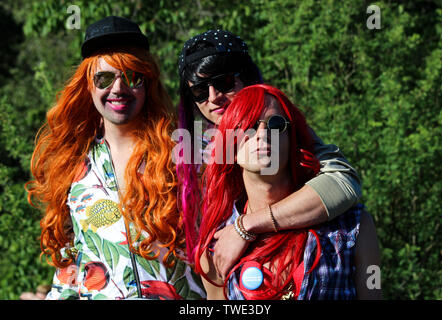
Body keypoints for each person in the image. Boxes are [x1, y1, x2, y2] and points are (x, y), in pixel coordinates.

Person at [25, 16, 205, 300]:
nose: (118, 89)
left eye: (132, 77)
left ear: (148, 84)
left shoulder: (183, 156)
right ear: (88, 86)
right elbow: (72, 264)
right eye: (104, 78)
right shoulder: (72, 166)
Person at [176, 29, 362, 278]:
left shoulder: (278, 126)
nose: (213, 97)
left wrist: (245, 227)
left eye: (224, 82)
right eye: (199, 91)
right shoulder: (190, 145)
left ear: (248, 78)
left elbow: (343, 183)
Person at [196, 84, 382, 300]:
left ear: (293, 140)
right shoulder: (215, 250)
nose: (263, 133)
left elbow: (374, 289)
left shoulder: (355, 226)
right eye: (247, 125)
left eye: (276, 124)